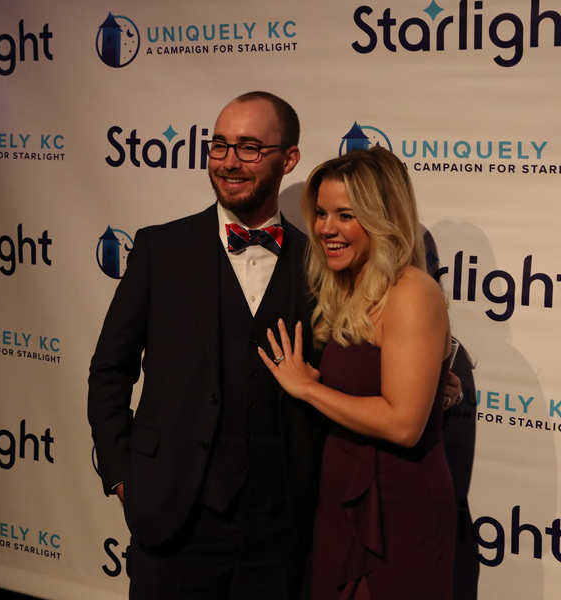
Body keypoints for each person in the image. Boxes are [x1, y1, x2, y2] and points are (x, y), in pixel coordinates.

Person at [88, 91, 326, 600]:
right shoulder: (160, 249)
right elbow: (110, 369)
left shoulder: (320, 265)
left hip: (279, 531)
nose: (229, 162)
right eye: (219, 146)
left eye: (248, 147)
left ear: (289, 158)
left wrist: (441, 382)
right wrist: (124, 476)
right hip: (172, 518)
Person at [259, 147, 457, 600]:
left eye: (345, 215)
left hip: (397, 509)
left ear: (382, 217)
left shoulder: (411, 292)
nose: (326, 228)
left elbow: (404, 425)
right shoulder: (350, 286)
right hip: (341, 498)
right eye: (322, 213)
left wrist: (308, 389)